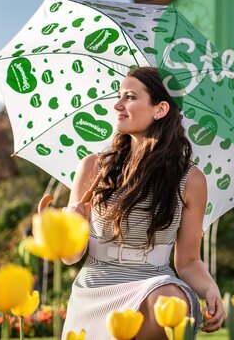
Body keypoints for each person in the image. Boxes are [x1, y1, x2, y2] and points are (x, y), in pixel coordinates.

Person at [58, 66, 225, 339]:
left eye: (130, 97)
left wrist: (209, 289)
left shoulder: (190, 180)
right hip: (95, 287)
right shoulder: (93, 167)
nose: (117, 105)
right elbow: (70, 257)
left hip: (154, 283)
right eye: (119, 96)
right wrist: (71, 225)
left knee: (169, 301)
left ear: (160, 109)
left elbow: (188, 261)